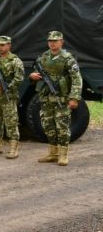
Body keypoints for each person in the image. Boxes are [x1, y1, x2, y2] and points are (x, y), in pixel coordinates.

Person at [28, 31, 82, 166]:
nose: (52, 43)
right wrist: (32, 76)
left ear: (61, 42)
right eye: (50, 41)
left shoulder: (67, 58)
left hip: (61, 98)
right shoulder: (44, 57)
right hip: (46, 98)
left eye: (55, 41)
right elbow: (36, 73)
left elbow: (77, 79)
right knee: (48, 125)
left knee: (62, 126)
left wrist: (74, 98)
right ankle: (53, 153)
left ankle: (63, 155)